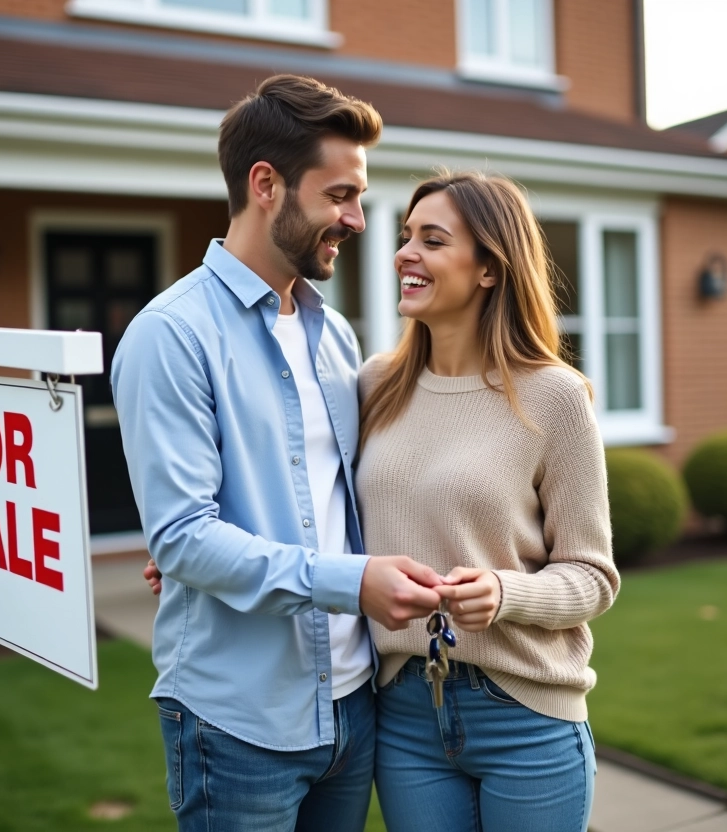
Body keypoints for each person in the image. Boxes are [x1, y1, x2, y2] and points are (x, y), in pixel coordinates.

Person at [144, 170, 618, 832]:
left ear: (488, 269)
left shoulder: (555, 397)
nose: (403, 254)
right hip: (404, 717)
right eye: (405, 237)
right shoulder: (374, 384)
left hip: (526, 715)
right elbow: (315, 493)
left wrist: (506, 594)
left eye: (432, 239)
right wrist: (195, 554)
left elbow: (593, 577)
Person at [110, 74, 447, 832]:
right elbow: (186, 537)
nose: (358, 220)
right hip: (240, 724)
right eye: (339, 196)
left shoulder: (340, 337)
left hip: (355, 706)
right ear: (266, 184)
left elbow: (339, 501)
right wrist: (348, 581)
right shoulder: (172, 336)